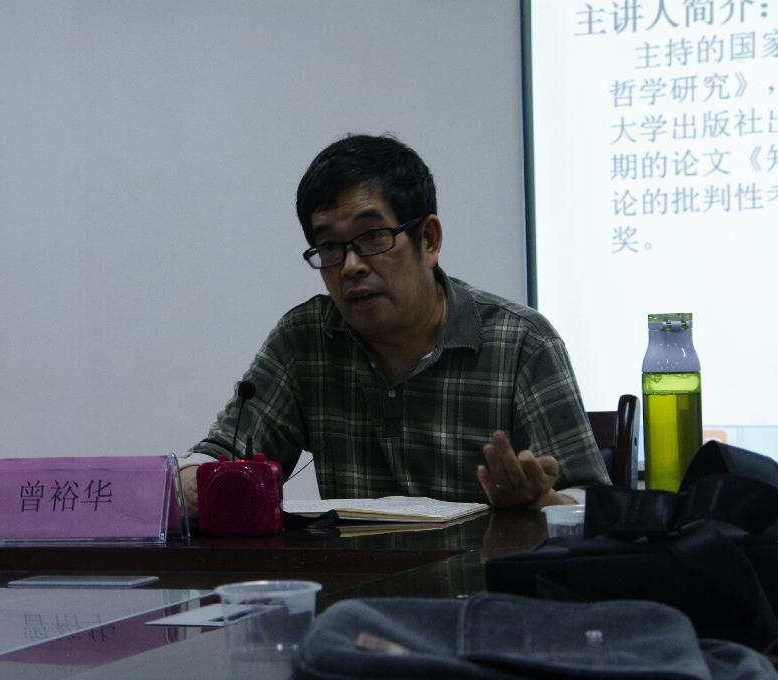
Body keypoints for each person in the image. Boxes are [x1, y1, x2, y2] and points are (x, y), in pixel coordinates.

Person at [179, 134, 609, 515]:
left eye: (372, 237)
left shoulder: (522, 343)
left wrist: (540, 503)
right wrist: (186, 482)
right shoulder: (305, 339)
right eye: (329, 246)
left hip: (481, 580)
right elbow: (219, 458)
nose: (351, 266)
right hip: (355, 582)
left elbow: (590, 505)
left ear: (429, 239)